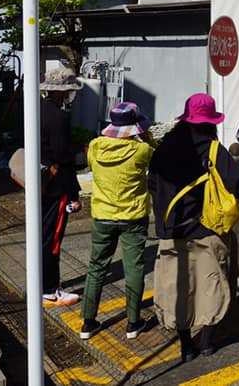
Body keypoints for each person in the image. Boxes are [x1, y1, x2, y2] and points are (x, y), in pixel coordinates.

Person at [148, 94, 239, 361]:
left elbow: (152, 185)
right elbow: (235, 183)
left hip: (171, 233)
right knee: (212, 285)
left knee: (178, 289)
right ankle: (208, 343)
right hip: (207, 231)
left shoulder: (163, 148)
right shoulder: (213, 150)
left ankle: (186, 345)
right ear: (210, 122)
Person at [80, 102, 155, 340]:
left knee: (97, 267)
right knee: (134, 268)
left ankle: (88, 322)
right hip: (133, 215)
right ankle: (133, 323)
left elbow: (92, 165)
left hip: (103, 214)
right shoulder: (141, 150)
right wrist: (147, 133)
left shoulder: (95, 146)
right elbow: (157, 156)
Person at [40, 65, 83, 308]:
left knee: (42, 235)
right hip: (57, 186)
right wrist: (74, 193)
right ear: (62, 91)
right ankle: (50, 290)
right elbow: (64, 157)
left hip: (40, 180)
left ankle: (42, 283)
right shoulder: (59, 116)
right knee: (53, 238)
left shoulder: (35, 110)